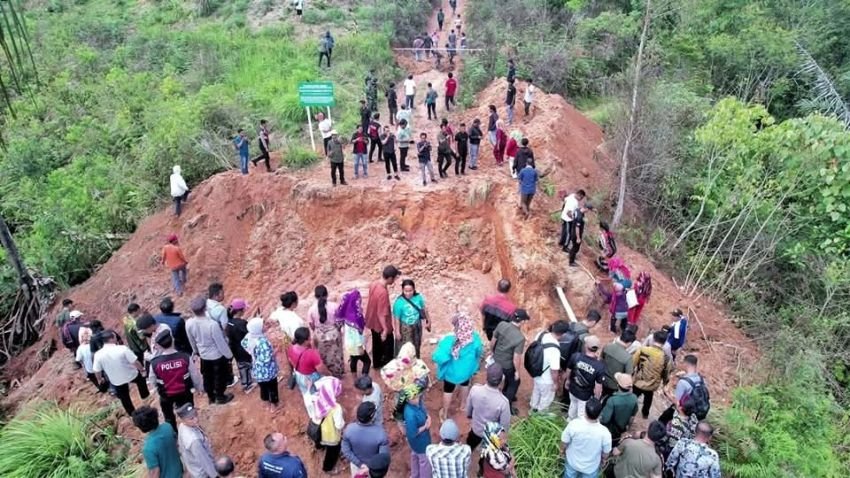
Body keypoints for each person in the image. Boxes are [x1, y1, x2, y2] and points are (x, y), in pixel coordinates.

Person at [433, 311, 483, 421]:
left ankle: (445, 413)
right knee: (465, 385)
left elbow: (438, 357)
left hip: (452, 374)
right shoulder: (474, 338)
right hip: (467, 371)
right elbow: (479, 351)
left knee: (448, 391)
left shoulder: (450, 341)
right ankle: (463, 405)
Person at [186, 296, 235, 405]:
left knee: (207, 377)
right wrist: (229, 354)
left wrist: (196, 351)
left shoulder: (189, 323)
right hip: (216, 355)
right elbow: (220, 342)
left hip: (203, 355)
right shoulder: (212, 325)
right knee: (219, 377)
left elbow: (191, 340)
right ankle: (220, 396)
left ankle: (211, 397)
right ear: (205, 308)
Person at [466, 363, 512, 472]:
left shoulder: (475, 390)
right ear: (501, 381)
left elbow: (468, 409)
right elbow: (504, 426)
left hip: (476, 429)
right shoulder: (503, 402)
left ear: (486, 377)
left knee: (469, 446)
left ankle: (465, 460)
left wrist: (469, 415)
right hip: (490, 437)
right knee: (486, 455)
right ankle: (481, 470)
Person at [93, 330, 149, 414]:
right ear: (111, 339)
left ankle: (131, 413)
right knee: (141, 381)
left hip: (116, 380)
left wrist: (100, 379)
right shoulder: (122, 348)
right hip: (131, 374)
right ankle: (145, 398)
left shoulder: (98, 354)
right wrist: (142, 370)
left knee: (124, 397)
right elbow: (135, 362)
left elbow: (97, 370)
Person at [150, 330, 195, 431]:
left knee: (169, 416)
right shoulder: (185, 357)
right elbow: (194, 375)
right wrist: (198, 387)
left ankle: (174, 434)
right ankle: (192, 429)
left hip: (166, 395)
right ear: (173, 340)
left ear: (160, 346)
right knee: (189, 412)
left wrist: (158, 387)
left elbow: (152, 380)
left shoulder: (155, 363)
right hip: (185, 392)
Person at [490, 308, 529, 414]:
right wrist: (517, 371)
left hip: (496, 360)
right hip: (507, 365)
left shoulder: (502, 325)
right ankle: (507, 405)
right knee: (515, 382)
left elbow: (493, 341)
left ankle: (504, 392)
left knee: (507, 379)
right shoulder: (520, 338)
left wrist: (492, 352)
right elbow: (516, 358)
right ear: (522, 322)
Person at [560, 397, 612, 478]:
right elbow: (606, 453)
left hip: (572, 462)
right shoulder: (605, 433)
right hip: (590, 468)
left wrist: (562, 451)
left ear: (585, 411)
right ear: (600, 414)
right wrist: (603, 461)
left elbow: (564, 442)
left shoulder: (574, 424)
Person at [132, 405, 184, 478]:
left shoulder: (148, 448)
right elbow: (177, 444)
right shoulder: (167, 426)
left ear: (141, 427)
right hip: (180, 472)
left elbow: (155, 472)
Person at [342, 402, 391, 477]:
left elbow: (346, 450)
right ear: (372, 417)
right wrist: (369, 468)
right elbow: (383, 457)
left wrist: (360, 464)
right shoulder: (380, 433)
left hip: (356, 466)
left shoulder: (349, 429)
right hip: (374, 469)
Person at [632, 330, 673, 419]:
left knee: (634, 397)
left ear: (653, 339)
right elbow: (666, 373)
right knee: (648, 398)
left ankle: (630, 411)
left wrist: (631, 375)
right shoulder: (666, 358)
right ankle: (645, 414)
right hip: (652, 384)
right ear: (665, 342)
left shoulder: (642, 350)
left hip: (638, 381)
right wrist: (665, 383)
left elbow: (633, 364)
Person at [365, 265, 400, 369]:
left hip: (372, 321)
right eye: (394, 278)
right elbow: (382, 313)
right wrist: (385, 330)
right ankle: (388, 368)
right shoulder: (383, 292)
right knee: (388, 347)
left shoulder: (374, 284)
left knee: (376, 345)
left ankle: (376, 364)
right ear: (390, 278)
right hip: (381, 325)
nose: (394, 280)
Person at [242, 317, 280, 413]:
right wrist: (276, 350)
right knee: (272, 388)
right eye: (263, 325)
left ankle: (266, 404)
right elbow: (267, 359)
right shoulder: (263, 342)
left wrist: (253, 353)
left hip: (257, 369)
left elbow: (243, 343)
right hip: (268, 371)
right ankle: (273, 406)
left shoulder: (249, 336)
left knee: (263, 388)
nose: (265, 326)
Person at [288, 326, 328, 413]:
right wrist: (329, 374)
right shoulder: (311, 353)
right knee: (316, 395)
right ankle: (320, 412)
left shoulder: (291, 347)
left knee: (306, 394)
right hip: (311, 378)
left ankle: (311, 411)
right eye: (309, 337)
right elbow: (321, 369)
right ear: (306, 340)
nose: (311, 338)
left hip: (299, 375)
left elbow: (290, 360)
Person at [566, 335, 606, 419]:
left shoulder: (576, 356)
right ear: (598, 349)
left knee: (573, 405)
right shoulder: (599, 366)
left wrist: (567, 381)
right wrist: (597, 398)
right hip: (585, 395)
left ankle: (569, 420)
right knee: (581, 415)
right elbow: (598, 386)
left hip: (573, 388)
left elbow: (568, 370)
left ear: (585, 346)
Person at [308, 285, 345, 377]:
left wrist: (316, 331)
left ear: (315, 296)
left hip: (320, 334)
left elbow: (311, 324)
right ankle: (338, 374)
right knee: (336, 354)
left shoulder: (311, 310)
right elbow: (340, 321)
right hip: (334, 333)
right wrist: (338, 330)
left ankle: (326, 375)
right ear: (327, 295)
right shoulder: (335, 306)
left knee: (323, 355)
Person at [530, 321, 567, 412]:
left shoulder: (541, 335)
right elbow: (554, 370)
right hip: (546, 379)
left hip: (536, 372)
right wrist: (555, 383)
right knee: (545, 399)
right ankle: (540, 415)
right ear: (563, 334)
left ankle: (532, 409)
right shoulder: (555, 349)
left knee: (536, 392)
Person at [312, 376, 345, 474]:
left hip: (317, 430)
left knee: (319, 441)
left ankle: (319, 447)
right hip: (331, 435)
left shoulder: (316, 398)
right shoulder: (336, 408)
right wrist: (343, 422)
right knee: (333, 452)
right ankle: (328, 468)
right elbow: (339, 425)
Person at [391, 279, 429, 358]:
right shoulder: (398, 302)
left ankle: (416, 361)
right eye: (406, 291)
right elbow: (397, 318)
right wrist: (397, 332)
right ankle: (405, 365)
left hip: (417, 326)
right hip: (405, 329)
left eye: (410, 291)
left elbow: (424, 309)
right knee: (406, 348)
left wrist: (428, 321)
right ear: (402, 290)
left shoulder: (418, 298)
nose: (408, 293)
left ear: (414, 289)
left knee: (416, 345)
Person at [401, 381, 433, 478]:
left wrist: (428, 417)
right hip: (420, 442)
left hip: (416, 444)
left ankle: (414, 475)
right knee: (424, 462)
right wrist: (425, 427)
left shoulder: (417, 403)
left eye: (418, 395)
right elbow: (412, 433)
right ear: (408, 399)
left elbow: (423, 409)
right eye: (414, 397)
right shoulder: (410, 414)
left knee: (415, 456)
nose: (417, 398)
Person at [599, 373, 638, 448]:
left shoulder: (612, 400)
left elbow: (604, 419)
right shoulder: (634, 398)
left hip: (609, 430)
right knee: (612, 445)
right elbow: (632, 417)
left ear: (618, 385)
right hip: (621, 429)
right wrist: (628, 428)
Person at [339, 288, 371, 375]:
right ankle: (364, 378)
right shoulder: (355, 317)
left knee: (354, 360)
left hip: (349, 345)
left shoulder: (347, 315)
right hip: (356, 345)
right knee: (367, 361)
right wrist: (360, 346)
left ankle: (354, 377)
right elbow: (356, 334)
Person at [227, 299, 254, 393]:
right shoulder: (242, 323)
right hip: (244, 350)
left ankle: (245, 383)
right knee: (248, 365)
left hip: (235, 349)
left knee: (241, 366)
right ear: (240, 311)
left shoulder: (229, 322)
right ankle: (248, 385)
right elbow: (250, 334)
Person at [601, 329, 636, 398]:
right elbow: (628, 376)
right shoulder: (627, 357)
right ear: (630, 343)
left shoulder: (607, 346)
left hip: (602, 379)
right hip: (614, 386)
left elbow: (601, 359)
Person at [76, 327, 104, 392]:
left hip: (90, 369)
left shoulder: (80, 348)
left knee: (94, 379)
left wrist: (82, 363)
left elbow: (78, 359)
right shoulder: (95, 344)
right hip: (100, 366)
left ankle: (101, 388)